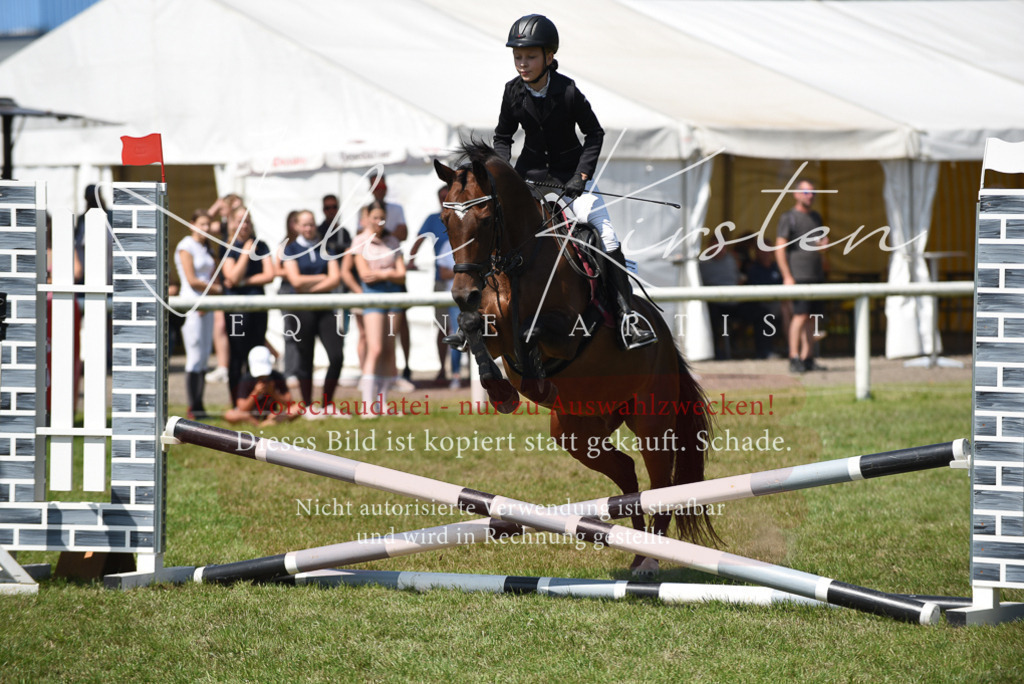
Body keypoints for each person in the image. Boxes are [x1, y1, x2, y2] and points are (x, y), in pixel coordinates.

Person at [492, 14, 655, 349]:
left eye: (530, 56)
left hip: (571, 180)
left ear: (549, 57)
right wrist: (503, 171)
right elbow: (502, 138)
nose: (523, 64)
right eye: (518, 57)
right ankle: (486, 315)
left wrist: (582, 175)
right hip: (530, 180)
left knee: (606, 236)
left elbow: (594, 134)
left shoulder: (568, 91)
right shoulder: (512, 93)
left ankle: (627, 317)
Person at [281, 210, 346, 416]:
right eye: (305, 225)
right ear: (297, 227)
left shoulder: (326, 247)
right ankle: (308, 405)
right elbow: (295, 281)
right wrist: (322, 278)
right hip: (302, 309)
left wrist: (310, 286)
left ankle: (327, 403)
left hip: (325, 307)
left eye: (311, 224)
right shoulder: (290, 249)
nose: (308, 228)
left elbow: (335, 278)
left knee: (336, 356)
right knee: (305, 356)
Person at [353, 200, 406, 417]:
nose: (379, 222)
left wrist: (383, 274)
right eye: (374, 217)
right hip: (373, 296)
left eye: (382, 218)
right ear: (366, 219)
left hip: (394, 295)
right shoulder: (360, 241)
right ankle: (368, 404)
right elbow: (365, 274)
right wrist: (389, 271)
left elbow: (401, 274)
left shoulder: (393, 241)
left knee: (388, 349)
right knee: (374, 348)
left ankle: (383, 402)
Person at [221, 206, 275, 402]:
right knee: (238, 355)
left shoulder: (262, 246)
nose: (244, 225)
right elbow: (231, 276)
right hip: (236, 309)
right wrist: (245, 252)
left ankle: (258, 401)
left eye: (247, 221)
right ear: (233, 223)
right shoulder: (228, 246)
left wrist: (244, 281)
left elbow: (270, 275)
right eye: (240, 221)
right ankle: (238, 402)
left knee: (258, 353)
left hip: (257, 307)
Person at [775, 179, 829, 373]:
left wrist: (823, 250)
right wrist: (787, 276)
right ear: (796, 194)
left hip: (816, 274)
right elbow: (780, 249)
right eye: (806, 192)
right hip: (798, 275)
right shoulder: (789, 217)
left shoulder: (816, 217)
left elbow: (819, 246)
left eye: (812, 192)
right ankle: (793, 356)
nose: (810, 196)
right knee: (799, 316)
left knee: (812, 318)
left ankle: (808, 357)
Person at [409, 185, 460, 386]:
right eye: (441, 197)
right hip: (443, 278)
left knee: (458, 327)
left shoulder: (461, 215)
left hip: (458, 274)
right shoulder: (433, 218)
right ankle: (443, 368)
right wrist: (411, 259)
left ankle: (459, 371)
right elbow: (419, 239)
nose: (443, 199)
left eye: (446, 196)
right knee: (442, 326)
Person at [174, 210, 222, 418]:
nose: (206, 228)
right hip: (192, 304)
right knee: (194, 356)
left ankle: (200, 406)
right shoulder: (186, 246)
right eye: (202, 224)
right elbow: (192, 280)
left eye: (208, 224)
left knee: (203, 356)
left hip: (207, 305)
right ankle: (193, 406)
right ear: (192, 224)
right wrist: (218, 290)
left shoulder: (206, 247)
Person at [368, 172, 414, 388]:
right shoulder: (366, 210)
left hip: (392, 270)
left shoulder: (396, 208)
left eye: (381, 185)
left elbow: (402, 233)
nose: (379, 189)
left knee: (398, 326)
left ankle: (404, 367)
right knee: (376, 337)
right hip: (376, 281)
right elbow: (366, 236)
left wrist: (385, 233)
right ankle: (376, 375)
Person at [223, 345, 300, 426]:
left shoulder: (277, 377)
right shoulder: (246, 379)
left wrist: (273, 393)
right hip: (250, 416)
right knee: (230, 414)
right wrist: (255, 393)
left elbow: (290, 404)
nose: (263, 379)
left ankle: (270, 422)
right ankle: (259, 424)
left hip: (273, 415)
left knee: (298, 408)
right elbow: (242, 409)